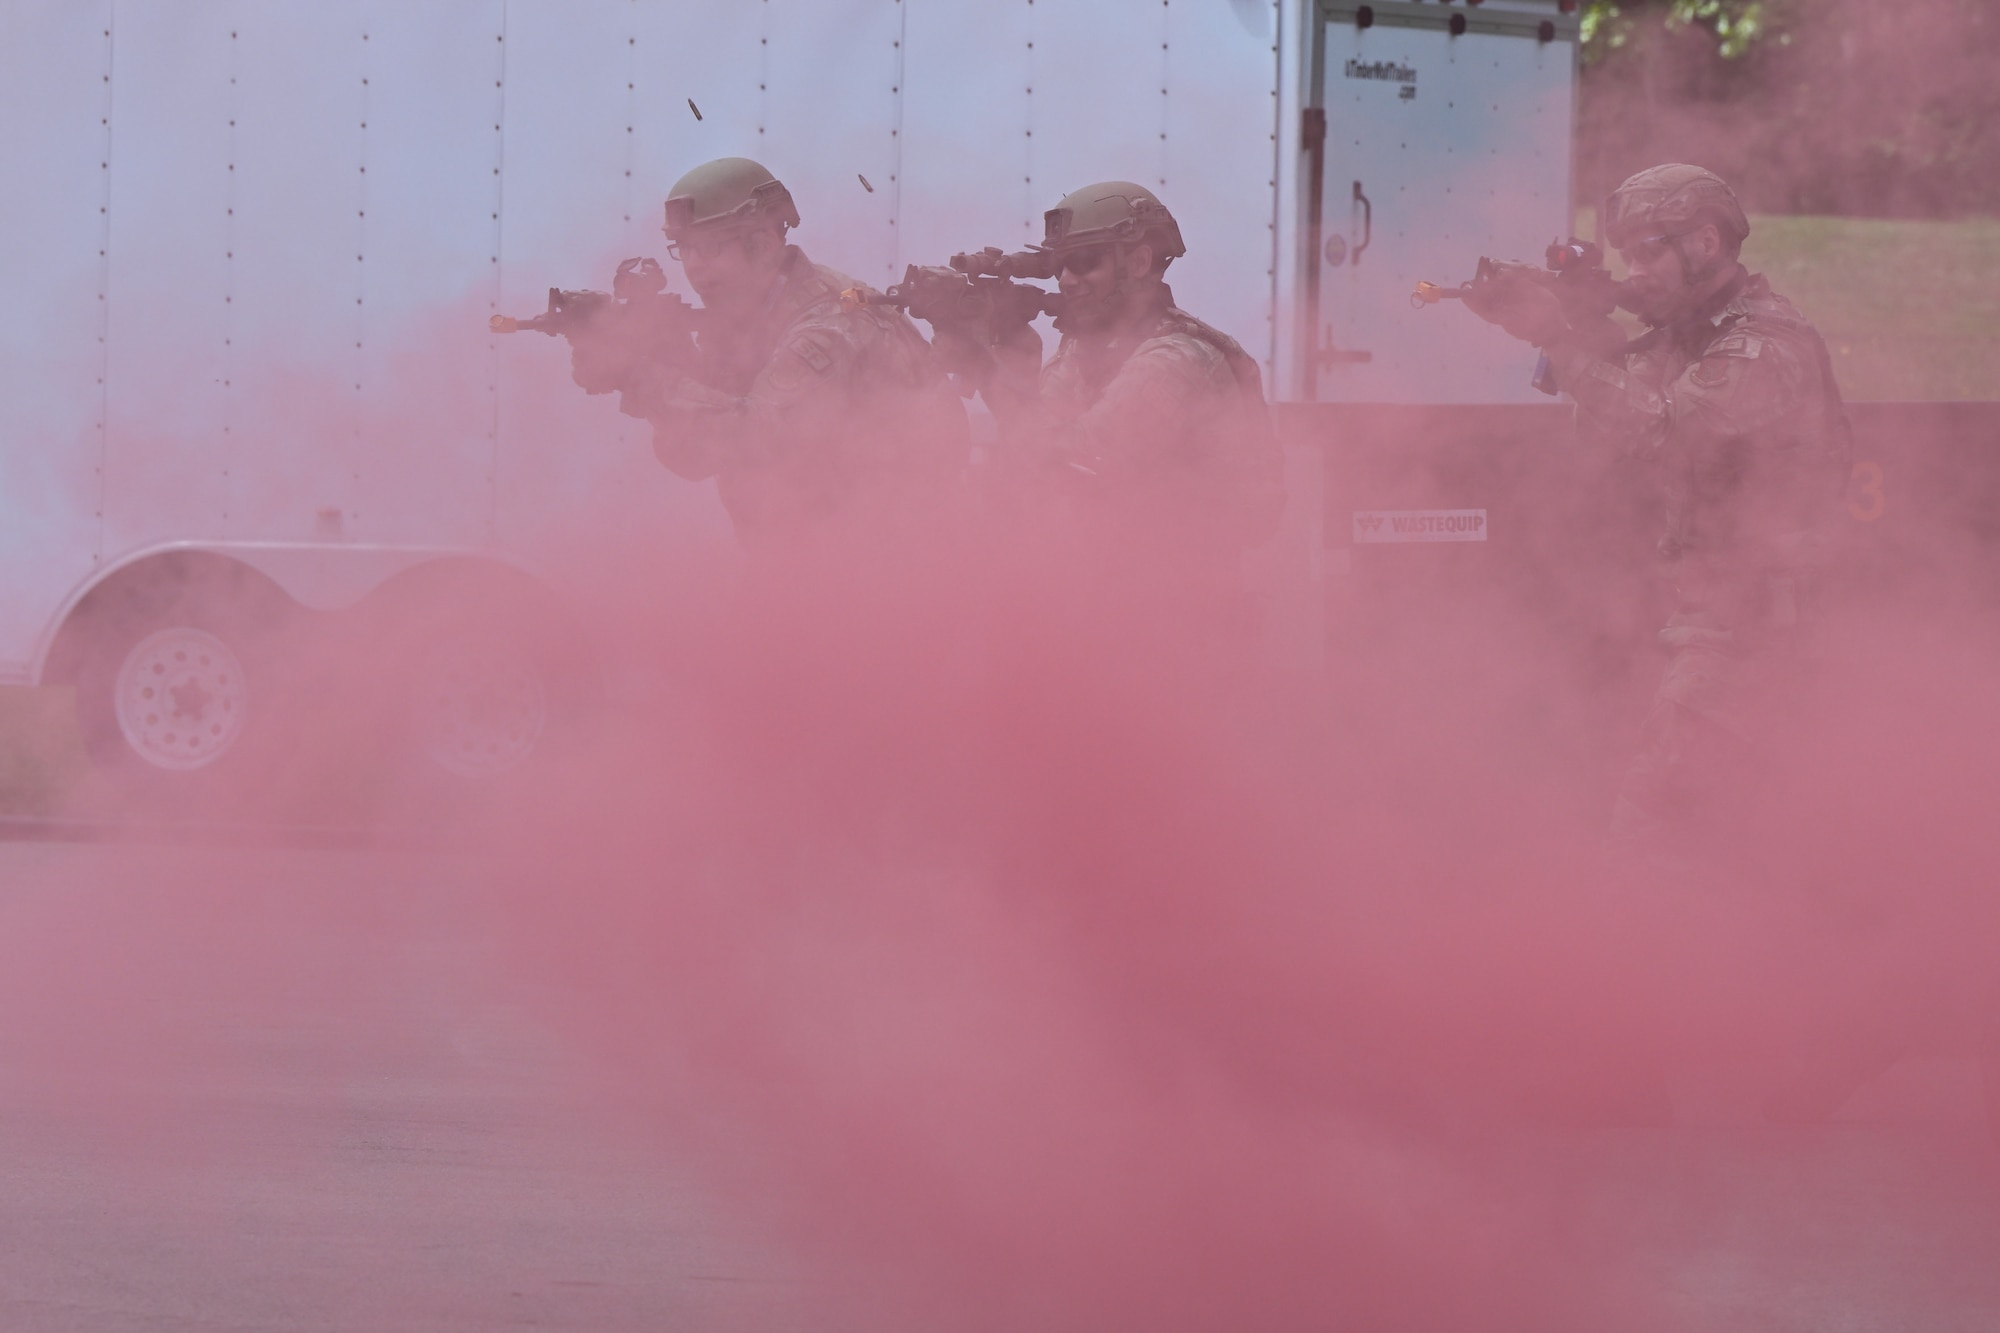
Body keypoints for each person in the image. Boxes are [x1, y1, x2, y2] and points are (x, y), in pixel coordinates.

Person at [1463, 163, 1852, 865]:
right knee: (1743, 866)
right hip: (1709, 627)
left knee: (1647, 861)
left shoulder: (1764, 344)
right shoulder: (1685, 338)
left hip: (1749, 637)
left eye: (1648, 251)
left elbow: (1669, 428)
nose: (1634, 271)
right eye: (1626, 255)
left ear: (1705, 242)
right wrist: (1571, 320)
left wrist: (1562, 337)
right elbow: (1608, 430)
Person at [571, 156, 967, 543]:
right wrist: (665, 367)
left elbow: (756, 439)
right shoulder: (746, 319)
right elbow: (695, 458)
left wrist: (645, 380)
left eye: (709, 249)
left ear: (761, 244)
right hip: (810, 550)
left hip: (882, 556)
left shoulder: (829, 324)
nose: (694, 266)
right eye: (684, 249)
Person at [942, 181, 1284, 587]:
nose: (1067, 280)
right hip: (1104, 600)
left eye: (1085, 262)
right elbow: (1029, 466)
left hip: (1177, 616)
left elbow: (1079, 465)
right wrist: (1012, 363)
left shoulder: (1178, 360)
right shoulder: (1081, 352)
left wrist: (999, 380)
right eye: (1059, 266)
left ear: (1138, 262)